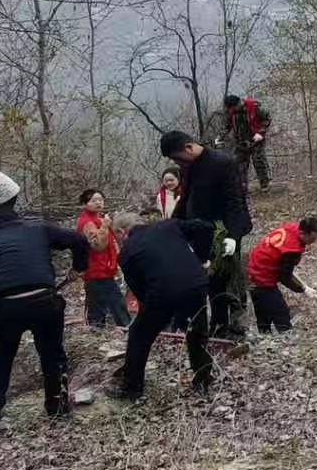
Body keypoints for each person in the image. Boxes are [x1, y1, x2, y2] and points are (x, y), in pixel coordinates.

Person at [0, 171, 89, 425]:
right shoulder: (38, 229)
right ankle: (57, 409)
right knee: (53, 355)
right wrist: (79, 267)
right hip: (45, 300)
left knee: (1, 357)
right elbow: (79, 240)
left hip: (6, 306)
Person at [108, 215, 217, 401]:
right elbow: (206, 226)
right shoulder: (170, 225)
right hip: (196, 284)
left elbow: (139, 290)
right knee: (196, 332)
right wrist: (203, 257)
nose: (117, 241)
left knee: (139, 335)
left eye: (115, 236)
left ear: (121, 232)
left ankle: (131, 389)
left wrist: (157, 314)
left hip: (162, 292)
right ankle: (203, 379)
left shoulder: (126, 253)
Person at [161, 130, 253, 338]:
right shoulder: (189, 167)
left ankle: (236, 326)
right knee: (212, 281)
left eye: (177, 158)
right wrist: (171, 225)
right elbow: (186, 198)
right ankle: (219, 325)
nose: (177, 163)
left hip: (224, 232)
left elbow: (235, 202)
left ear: (188, 147)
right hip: (201, 232)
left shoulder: (223, 163)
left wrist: (233, 236)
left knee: (229, 279)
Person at [246, 216, 317, 333]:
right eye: (312, 238)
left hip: (253, 266)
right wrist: (303, 289)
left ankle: (264, 336)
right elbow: (284, 277)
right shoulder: (292, 250)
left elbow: (285, 270)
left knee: (263, 312)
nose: (313, 242)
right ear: (303, 233)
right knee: (281, 314)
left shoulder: (292, 227)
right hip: (262, 275)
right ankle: (285, 337)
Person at [74, 188, 130, 330]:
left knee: (96, 303)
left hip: (101, 267)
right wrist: (105, 225)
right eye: (94, 200)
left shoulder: (96, 218)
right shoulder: (87, 222)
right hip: (96, 269)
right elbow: (98, 245)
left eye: (100, 200)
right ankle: (127, 328)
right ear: (84, 204)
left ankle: (96, 330)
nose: (98, 203)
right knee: (116, 301)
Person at [218, 93, 273, 191]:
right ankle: (242, 186)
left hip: (256, 140)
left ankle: (264, 184)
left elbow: (267, 118)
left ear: (239, 103)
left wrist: (261, 132)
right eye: (231, 108)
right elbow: (227, 126)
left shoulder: (254, 107)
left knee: (259, 161)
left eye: (234, 107)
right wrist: (220, 137)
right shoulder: (231, 112)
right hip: (240, 141)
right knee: (240, 165)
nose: (233, 109)